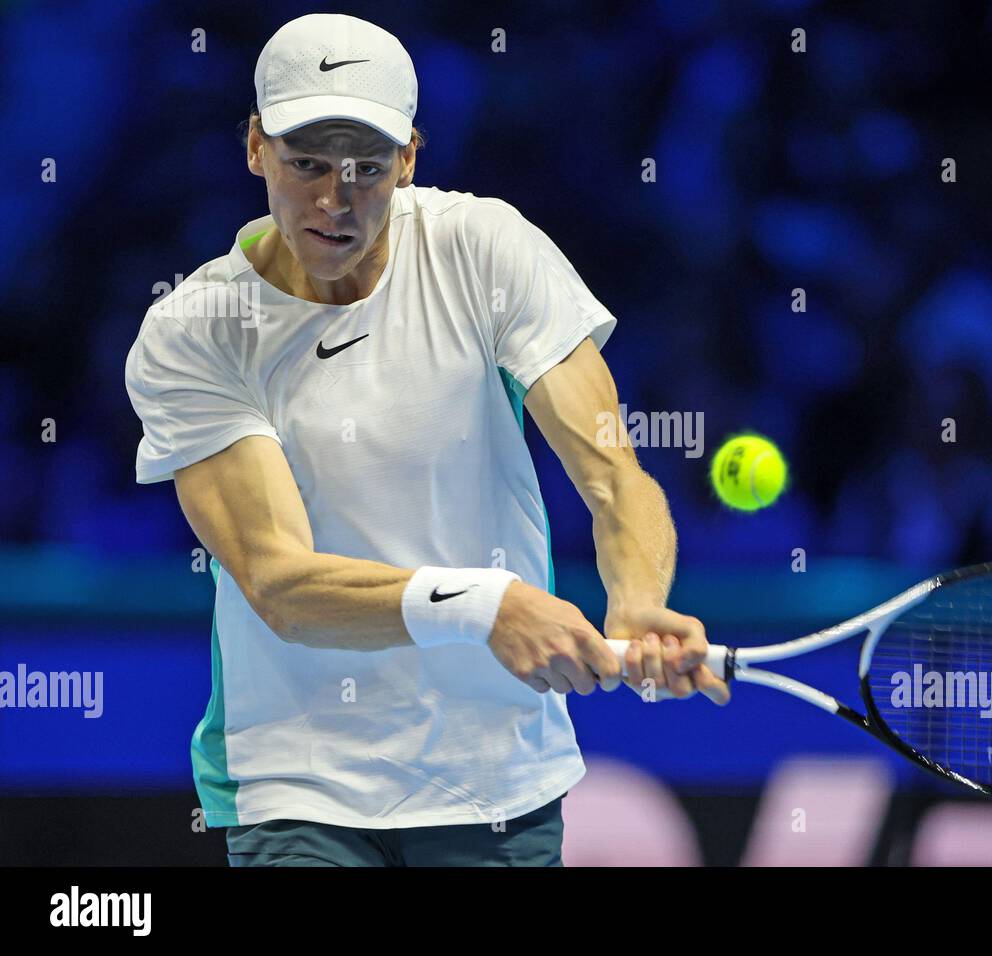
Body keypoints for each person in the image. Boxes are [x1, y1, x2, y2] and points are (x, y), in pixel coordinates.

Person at [124, 13, 728, 868]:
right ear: (255, 146)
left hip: (496, 781)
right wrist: (486, 604)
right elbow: (282, 583)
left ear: (410, 158)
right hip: (300, 783)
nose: (336, 200)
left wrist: (636, 598)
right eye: (307, 164)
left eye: (368, 169)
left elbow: (611, 474)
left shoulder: (487, 250)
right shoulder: (197, 330)